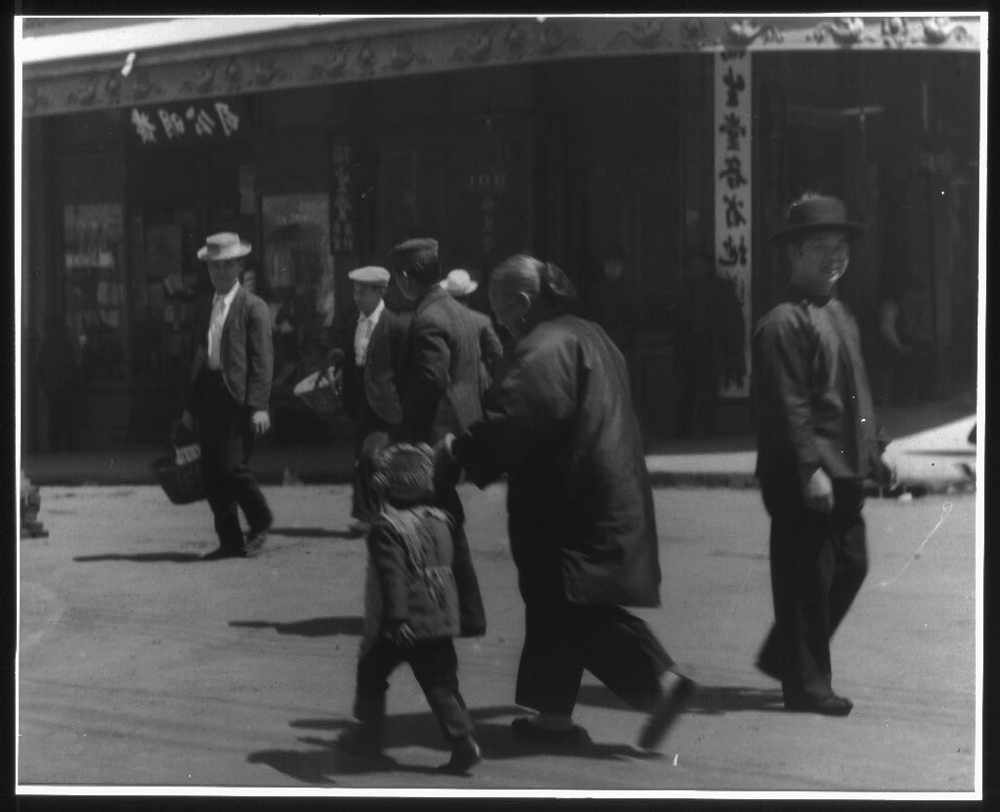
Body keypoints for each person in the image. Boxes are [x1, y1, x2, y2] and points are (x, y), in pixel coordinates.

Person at [438, 254, 694, 751]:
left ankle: (660, 684)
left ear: (524, 303)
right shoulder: (588, 333)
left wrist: (461, 450)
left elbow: (520, 416)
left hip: (568, 502)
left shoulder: (545, 345)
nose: (502, 324)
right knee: (554, 605)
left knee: (570, 607)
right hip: (599, 489)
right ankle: (553, 720)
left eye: (501, 311)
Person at [753, 194, 896, 715]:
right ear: (793, 254)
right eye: (820, 247)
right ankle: (807, 687)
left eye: (840, 247)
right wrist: (809, 467)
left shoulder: (838, 312)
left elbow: (855, 390)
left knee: (850, 567)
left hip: (847, 468)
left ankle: (787, 656)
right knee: (806, 579)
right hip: (808, 475)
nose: (834, 257)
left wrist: (874, 446)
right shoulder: (783, 322)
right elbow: (787, 404)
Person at [338, 436, 482, 774]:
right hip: (441, 615)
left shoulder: (387, 530)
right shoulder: (439, 519)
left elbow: (393, 578)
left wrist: (397, 620)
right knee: (441, 681)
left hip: (406, 624)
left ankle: (369, 740)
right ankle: (464, 740)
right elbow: (453, 566)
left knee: (372, 671)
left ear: (389, 489)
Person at [388, 238, 487, 639]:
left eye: (398, 278)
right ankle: (468, 612)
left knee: (431, 519)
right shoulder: (456, 310)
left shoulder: (428, 317)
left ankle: (450, 612)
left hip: (435, 436)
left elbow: (432, 379)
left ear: (408, 277)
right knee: (446, 517)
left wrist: (406, 433)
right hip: (460, 428)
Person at [181, 232, 274, 560]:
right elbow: (197, 357)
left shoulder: (253, 307)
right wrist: (191, 406)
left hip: (238, 397)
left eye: (226, 265)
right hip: (209, 393)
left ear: (238, 266)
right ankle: (230, 539)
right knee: (210, 471)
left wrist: (259, 406)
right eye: (213, 266)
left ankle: (260, 519)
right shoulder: (204, 307)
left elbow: (262, 361)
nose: (219, 272)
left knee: (232, 466)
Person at [329, 265, 410, 536]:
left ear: (381, 291)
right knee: (362, 456)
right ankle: (374, 513)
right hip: (360, 400)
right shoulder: (354, 322)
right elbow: (348, 355)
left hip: (387, 402)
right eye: (355, 290)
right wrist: (336, 365)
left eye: (364, 292)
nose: (358, 297)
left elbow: (403, 366)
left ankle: (371, 514)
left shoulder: (395, 324)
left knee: (370, 455)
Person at [440, 268, 503, 396]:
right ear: (469, 294)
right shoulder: (482, 320)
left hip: (445, 385)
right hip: (476, 381)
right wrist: (485, 367)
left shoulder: (437, 320)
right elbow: (497, 351)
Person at [37, 314, 79, 451]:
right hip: (63, 385)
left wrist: (45, 385)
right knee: (66, 417)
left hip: (52, 386)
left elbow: (40, 368)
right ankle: (67, 445)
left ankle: (54, 446)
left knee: (53, 417)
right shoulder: (64, 343)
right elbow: (71, 364)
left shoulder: (46, 344)